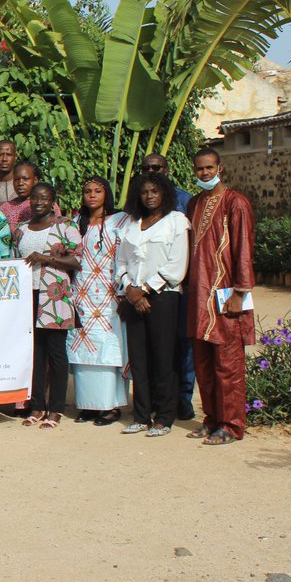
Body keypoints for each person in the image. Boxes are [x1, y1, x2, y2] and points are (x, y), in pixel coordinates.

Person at [186, 148, 256, 446]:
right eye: (200, 168)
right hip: (199, 296)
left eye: (209, 168)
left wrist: (240, 292)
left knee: (228, 362)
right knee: (203, 363)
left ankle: (231, 425)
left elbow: (243, 248)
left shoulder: (235, 203)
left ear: (220, 168)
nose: (205, 173)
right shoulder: (194, 204)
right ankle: (212, 419)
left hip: (226, 293)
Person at [115, 173, 190, 438]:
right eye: (145, 192)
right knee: (139, 358)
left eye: (155, 191)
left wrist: (145, 290)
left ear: (164, 193)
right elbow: (121, 262)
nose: (149, 196)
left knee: (163, 357)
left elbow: (176, 266)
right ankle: (141, 416)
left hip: (163, 297)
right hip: (133, 297)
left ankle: (164, 416)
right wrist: (131, 290)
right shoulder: (131, 225)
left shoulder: (176, 221)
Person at [13, 182, 82, 429]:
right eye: (34, 198)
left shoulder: (65, 225)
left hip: (55, 296)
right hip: (28, 296)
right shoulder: (22, 229)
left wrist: (46, 259)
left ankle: (56, 409)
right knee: (35, 353)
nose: (38, 202)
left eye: (44, 198)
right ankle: (37, 406)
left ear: (53, 201)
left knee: (56, 353)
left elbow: (76, 260)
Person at [67, 176, 130, 426]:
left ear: (107, 195)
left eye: (97, 191)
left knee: (108, 348)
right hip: (81, 293)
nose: (92, 195)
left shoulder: (119, 221)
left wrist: (124, 291)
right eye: (87, 191)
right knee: (82, 349)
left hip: (109, 294)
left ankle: (110, 407)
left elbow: (126, 255)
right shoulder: (76, 223)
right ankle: (88, 405)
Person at [142, 152, 196, 420]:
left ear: (167, 170)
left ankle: (183, 398)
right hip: (146, 287)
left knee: (182, 342)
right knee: (153, 344)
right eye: (146, 168)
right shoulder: (141, 201)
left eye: (157, 168)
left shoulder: (185, 201)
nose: (152, 172)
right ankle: (157, 397)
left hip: (178, 284)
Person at [0, 160, 59, 234]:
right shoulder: (5, 208)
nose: (20, 183)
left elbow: (58, 230)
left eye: (25, 179)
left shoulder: (47, 205)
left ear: (35, 180)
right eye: (16, 179)